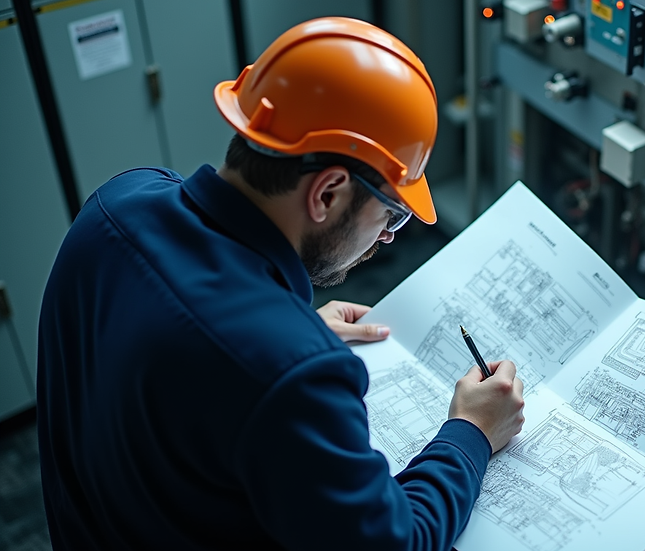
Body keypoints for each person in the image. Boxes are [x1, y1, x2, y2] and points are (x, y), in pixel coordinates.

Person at [36, 17, 525, 551]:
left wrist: (289, 334)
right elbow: (394, 542)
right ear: (327, 193)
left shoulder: (116, 202)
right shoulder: (292, 375)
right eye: (391, 215)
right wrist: (472, 433)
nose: (387, 239)